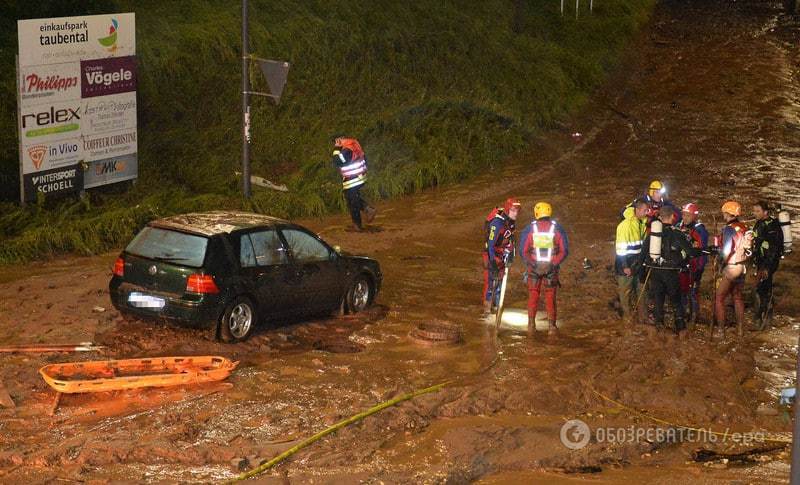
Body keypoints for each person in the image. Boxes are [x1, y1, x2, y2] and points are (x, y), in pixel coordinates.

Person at [640, 206, 700, 337]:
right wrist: (706, 251)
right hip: (671, 272)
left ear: (660, 217)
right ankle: (680, 329)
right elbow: (690, 252)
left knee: (658, 300)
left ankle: (658, 327)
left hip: (655, 272)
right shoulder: (677, 233)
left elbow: (643, 254)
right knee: (676, 302)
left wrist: (641, 274)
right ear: (673, 217)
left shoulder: (652, 234)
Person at [519, 202, 569, 337]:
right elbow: (564, 251)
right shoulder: (558, 229)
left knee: (533, 296)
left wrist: (533, 264)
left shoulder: (529, 229)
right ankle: (552, 327)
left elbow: (523, 251)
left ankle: (531, 326)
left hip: (534, 268)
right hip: (551, 269)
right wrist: (553, 264)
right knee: (550, 297)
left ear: (536, 213)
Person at [715, 200, 751, 337]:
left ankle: (721, 331)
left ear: (728, 213)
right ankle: (741, 330)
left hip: (731, 267)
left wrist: (720, 261)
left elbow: (726, 250)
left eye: (724, 213)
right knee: (738, 298)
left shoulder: (729, 229)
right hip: (742, 267)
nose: (723, 215)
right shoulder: (744, 227)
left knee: (719, 297)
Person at [483, 198, 521, 317]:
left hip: (502, 253)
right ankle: (487, 309)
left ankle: (498, 307)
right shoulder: (497, 223)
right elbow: (490, 245)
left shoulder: (511, 223)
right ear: (508, 210)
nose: (516, 213)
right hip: (491, 253)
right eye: (513, 210)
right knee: (490, 282)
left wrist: (511, 255)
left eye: (517, 211)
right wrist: (493, 263)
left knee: (499, 282)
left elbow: (511, 240)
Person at [332, 136, 377, 231]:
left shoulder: (347, 149)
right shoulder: (354, 144)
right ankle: (366, 211)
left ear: (339, 140)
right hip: (359, 176)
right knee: (352, 199)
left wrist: (336, 149)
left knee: (352, 202)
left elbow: (337, 161)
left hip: (352, 179)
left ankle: (358, 224)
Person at [615, 198, 649, 323]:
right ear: (638, 210)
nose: (647, 212)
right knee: (625, 293)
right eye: (645, 210)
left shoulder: (643, 223)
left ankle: (643, 317)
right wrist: (625, 266)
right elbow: (620, 249)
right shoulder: (625, 226)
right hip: (626, 264)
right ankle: (627, 318)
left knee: (642, 291)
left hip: (638, 263)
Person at [751, 201, 784, 329]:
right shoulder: (759, 223)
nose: (755, 213)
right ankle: (764, 317)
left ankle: (762, 318)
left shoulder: (773, 226)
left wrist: (767, 267)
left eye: (758, 211)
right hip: (761, 261)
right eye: (754, 211)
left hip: (768, 262)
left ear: (765, 212)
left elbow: (774, 249)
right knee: (764, 287)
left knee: (761, 288)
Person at [677, 203, 709, 324]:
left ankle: (694, 315)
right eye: (684, 214)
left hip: (694, 267)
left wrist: (699, 269)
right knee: (681, 290)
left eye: (688, 215)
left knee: (693, 292)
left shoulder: (700, 230)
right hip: (681, 265)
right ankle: (683, 313)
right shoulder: (679, 226)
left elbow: (702, 251)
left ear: (694, 216)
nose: (685, 217)